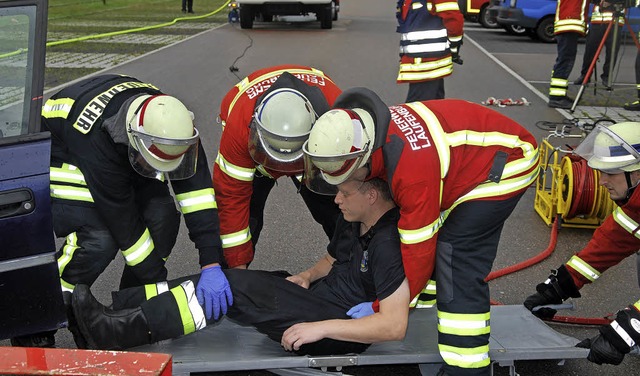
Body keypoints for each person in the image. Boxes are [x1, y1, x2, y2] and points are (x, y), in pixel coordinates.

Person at [302, 88, 540, 376]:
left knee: (455, 253)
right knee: (431, 243)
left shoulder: (410, 171)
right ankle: (424, 305)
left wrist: (386, 308)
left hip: (508, 161)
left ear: (362, 161)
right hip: (463, 158)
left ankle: (467, 365)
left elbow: (417, 246)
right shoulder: (363, 131)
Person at [70, 175, 410, 355]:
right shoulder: (353, 220)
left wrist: (320, 329)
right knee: (220, 282)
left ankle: (115, 332)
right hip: (321, 299)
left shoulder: (387, 242)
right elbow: (331, 259)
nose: (336, 200)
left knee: (232, 288)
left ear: (371, 196)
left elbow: (393, 327)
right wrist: (306, 276)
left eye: (345, 194)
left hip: (336, 327)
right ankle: (119, 311)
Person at [13, 74, 230, 348]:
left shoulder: (176, 128)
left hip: (122, 151)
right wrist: (159, 287)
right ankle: (37, 314)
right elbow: (123, 220)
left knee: (163, 216)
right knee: (100, 238)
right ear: (136, 141)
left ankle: (125, 310)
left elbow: (198, 197)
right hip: (60, 153)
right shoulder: (95, 137)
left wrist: (211, 262)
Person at [523, 122, 640, 366]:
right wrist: (560, 286)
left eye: (611, 173)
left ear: (637, 173)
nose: (602, 181)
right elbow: (611, 243)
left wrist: (627, 330)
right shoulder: (635, 202)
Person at [214, 65, 342, 269]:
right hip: (258, 155)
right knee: (247, 217)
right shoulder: (239, 129)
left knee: (335, 209)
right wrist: (236, 271)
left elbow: (355, 193)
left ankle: (349, 265)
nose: (283, 167)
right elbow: (231, 199)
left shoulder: (336, 118)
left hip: (311, 156)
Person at [395, 0, 464, 102]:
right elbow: (454, 22)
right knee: (424, 109)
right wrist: (454, 49)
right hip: (429, 62)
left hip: (422, 62)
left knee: (427, 109)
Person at [548, 0, 589, 109]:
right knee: (565, 61)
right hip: (569, 23)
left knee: (564, 60)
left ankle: (559, 94)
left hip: (567, 23)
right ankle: (556, 98)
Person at [574, 2, 624, 88]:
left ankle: (607, 76)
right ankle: (585, 75)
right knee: (590, 50)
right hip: (597, 22)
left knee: (612, 52)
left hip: (615, 22)